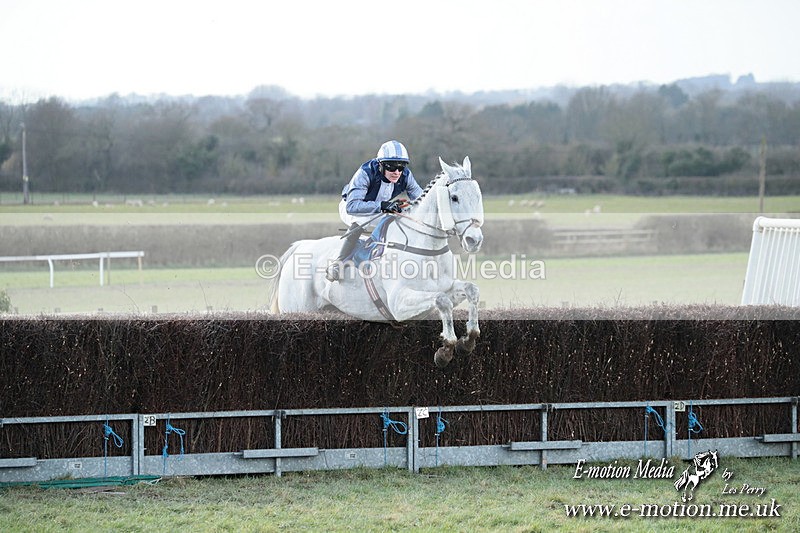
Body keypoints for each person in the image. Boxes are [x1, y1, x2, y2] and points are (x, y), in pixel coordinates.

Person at [325, 140, 424, 282]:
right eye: (391, 167)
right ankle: (338, 263)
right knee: (361, 220)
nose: (397, 172)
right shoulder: (365, 173)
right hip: (352, 207)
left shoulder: (406, 175)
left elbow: (421, 200)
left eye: (401, 167)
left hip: (379, 209)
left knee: (401, 220)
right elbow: (353, 206)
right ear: (380, 165)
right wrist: (383, 206)